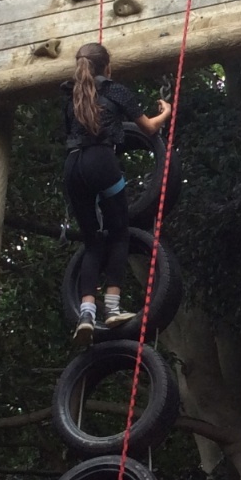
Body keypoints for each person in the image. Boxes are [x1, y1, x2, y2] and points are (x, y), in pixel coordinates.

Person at [61, 42, 171, 348]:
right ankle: (111, 308)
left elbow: (71, 133)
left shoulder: (72, 96)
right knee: (119, 233)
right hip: (101, 162)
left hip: (73, 167)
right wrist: (165, 112)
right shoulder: (116, 91)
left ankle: (86, 313)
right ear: (107, 67)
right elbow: (148, 128)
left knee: (92, 241)